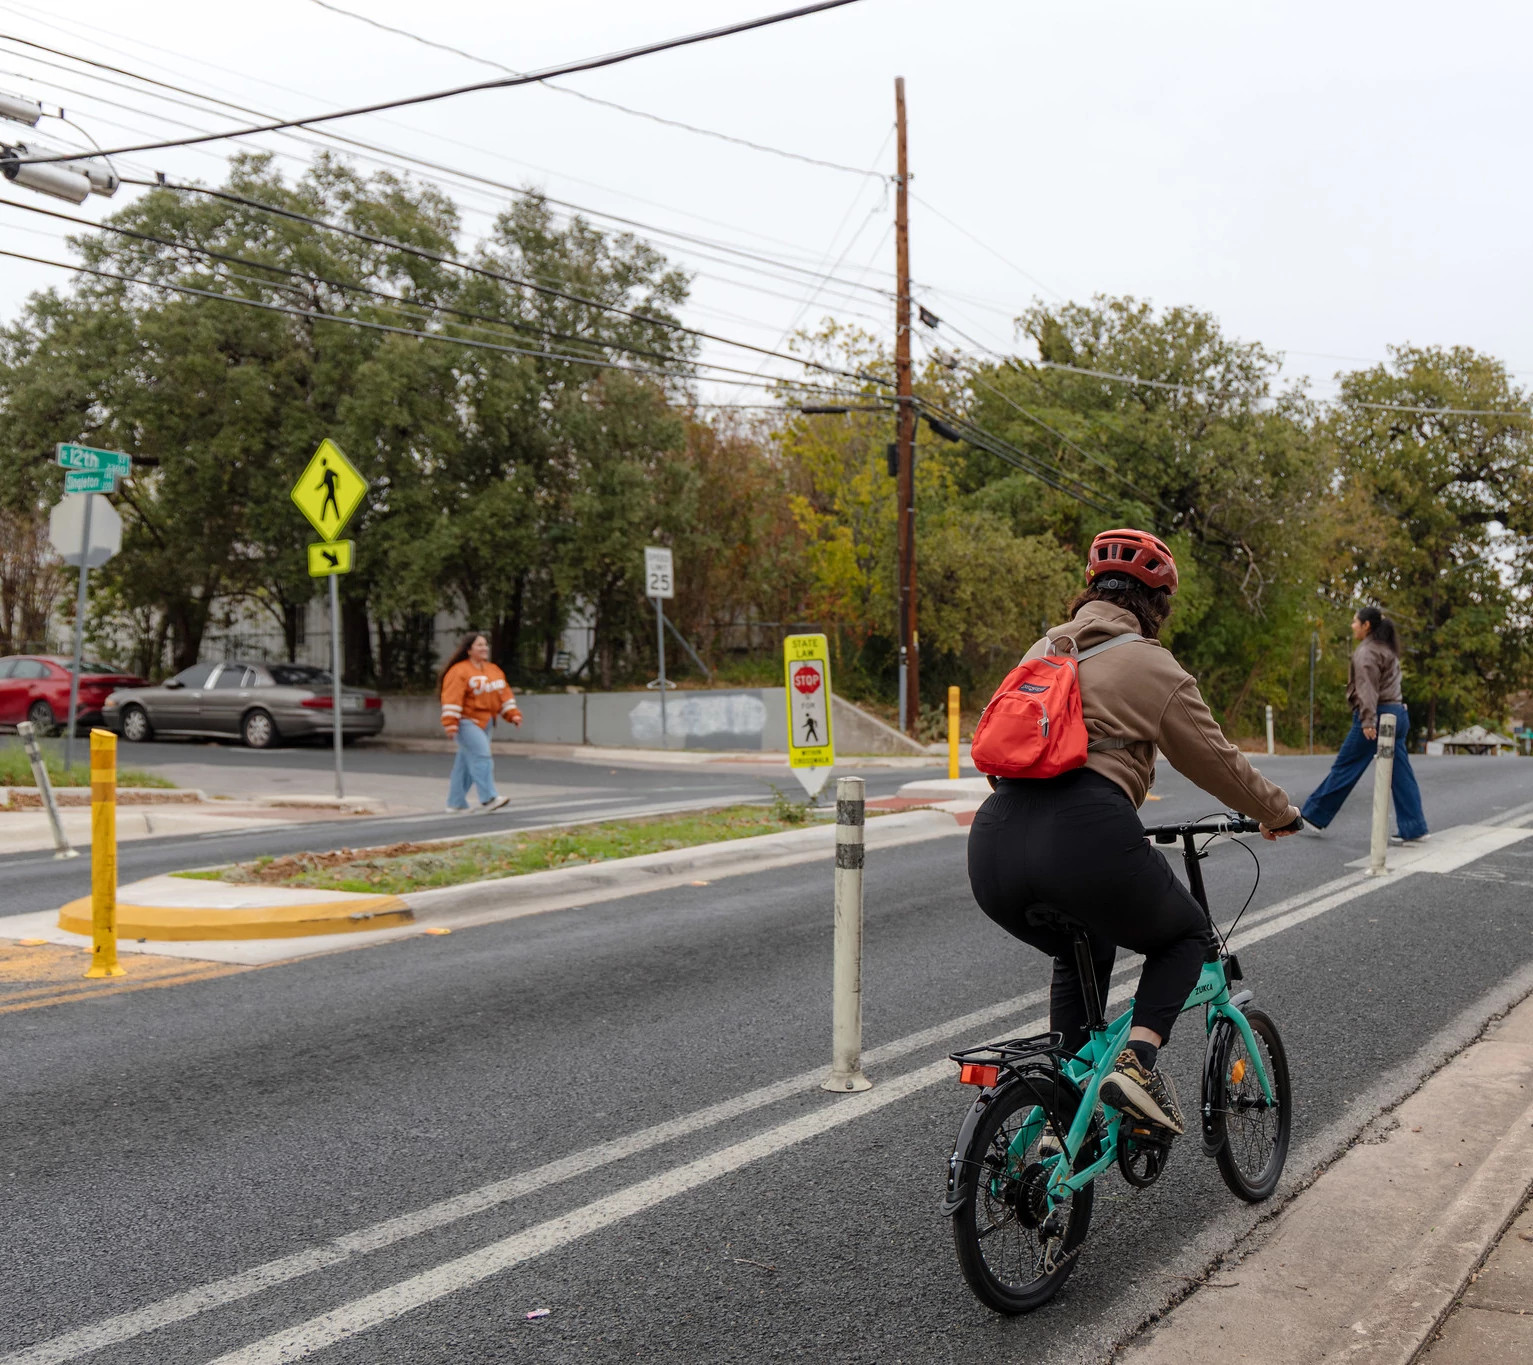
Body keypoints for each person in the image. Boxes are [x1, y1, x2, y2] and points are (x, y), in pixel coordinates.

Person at [967, 529, 1302, 1136]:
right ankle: (1136, 1062)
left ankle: (1062, 1116)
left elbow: (1003, 751)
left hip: (994, 843)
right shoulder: (1150, 664)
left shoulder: (1040, 651)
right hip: (1085, 831)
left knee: (1083, 950)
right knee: (1186, 936)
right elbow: (1218, 762)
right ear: (1157, 605)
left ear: (1089, 593)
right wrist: (1278, 812)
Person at [1300, 606, 1428, 842]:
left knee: (1346, 766)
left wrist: (1367, 720)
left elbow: (1367, 689)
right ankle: (1415, 827)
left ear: (1366, 625)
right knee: (1400, 774)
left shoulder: (1366, 652)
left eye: (1354, 622)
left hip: (1376, 717)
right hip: (1397, 714)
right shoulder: (1388, 649)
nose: (1352, 626)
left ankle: (1312, 815)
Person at [439, 632, 521, 813]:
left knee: (465, 764)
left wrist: (512, 714)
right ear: (469, 650)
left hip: (487, 722)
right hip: (466, 722)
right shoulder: (459, 671)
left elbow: (504, 695)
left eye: (485, 645)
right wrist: (451, 723)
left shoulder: (494, 670)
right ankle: (489, 798)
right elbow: (451, 698)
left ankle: (455, 803)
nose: (484, 648)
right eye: (479, 645)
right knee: (482, 756)